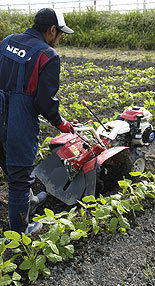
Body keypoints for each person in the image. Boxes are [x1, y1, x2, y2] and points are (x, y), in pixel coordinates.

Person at [0, 8, 75, 234]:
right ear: (52, 30)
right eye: (59, 34)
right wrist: (61, 122)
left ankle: (29, 202)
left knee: (7, 163)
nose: (58, 39)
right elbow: (45, 102)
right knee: (20, 178)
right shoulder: (47, 55)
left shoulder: (7, 41)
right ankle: (21, 230)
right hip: (17, 121)